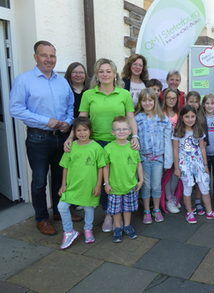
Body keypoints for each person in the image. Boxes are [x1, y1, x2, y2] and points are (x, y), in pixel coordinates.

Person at [64, 58, 139, 233]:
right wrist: (70, 137)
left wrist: (135, 136)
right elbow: (81, 120)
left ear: (114, 74)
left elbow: (130, 117)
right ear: (97, 75)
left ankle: (120, 216)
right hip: (96, 143)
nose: (105, 74)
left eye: (108, 71)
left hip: (119, 142)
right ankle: (108, 214)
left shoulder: (124, 94)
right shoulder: (89, 94)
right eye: (101, 71)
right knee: (104, 182)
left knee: (118, 179)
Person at [9, 40, 74, 235]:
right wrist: (47, 121)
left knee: (59, 178)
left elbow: (70, 105)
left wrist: (68, 121)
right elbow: (16, 109)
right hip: (38, 138)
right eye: (44, 55)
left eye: (52, 56)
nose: (49, 59)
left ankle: (58, 212)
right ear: (35, 57)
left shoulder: (62, 82)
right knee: (39, 180)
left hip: (60, 137)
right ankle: (41, 217)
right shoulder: (24, 80)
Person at [57, 117, 106, 249]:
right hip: (72, 185)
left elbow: (101, 167)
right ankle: (69, 231)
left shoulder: (96, 148)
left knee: (88, 208)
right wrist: (63, 184)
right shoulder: (71, 147)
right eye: (78, 130)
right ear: (74, 132)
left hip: (89, 185)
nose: (82, 133)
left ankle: (88, 229)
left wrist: (98, 185)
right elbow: (65, 167)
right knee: (62, 206)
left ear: (90, 131)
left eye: (85, 130)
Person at [172, 105, 214, 223]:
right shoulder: (178, 132)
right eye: (187, 117)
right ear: (182, 117)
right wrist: (176, 168)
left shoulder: (199, 130)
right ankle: (189, 212)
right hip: (185, 164)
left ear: (196, 117)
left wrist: (205, 165)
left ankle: (210, 211)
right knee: (188, 188)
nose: (190, 119)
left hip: (199, 163)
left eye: (192, 116)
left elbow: (202, 148)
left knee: (204, 187)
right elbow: (175, 150)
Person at [135, 88, 173, 222]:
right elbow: (134, 139)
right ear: (140, 102)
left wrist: (168, 160)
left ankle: (156, 209)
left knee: (156, 185)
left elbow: (167, 140)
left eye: (150, 100)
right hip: (143, 159)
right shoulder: (137, 119)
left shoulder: (163, 119)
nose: (147, 103)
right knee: (146, 185)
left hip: (158, 159)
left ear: (155, 101)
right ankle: (146, 210)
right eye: (144, 100)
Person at [103, 116, 143, 243]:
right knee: (115, 210)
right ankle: (118, 228)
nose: (121, 131)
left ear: (130, 131)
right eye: (118, 129)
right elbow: (106, 167)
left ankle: (127, 225)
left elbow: (138, 164)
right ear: (112, 132)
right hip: (114, 186)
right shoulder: (108, 148)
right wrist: (106, 183)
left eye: (124, 129)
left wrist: (141, 180)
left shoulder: (133, 147)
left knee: (127, 208)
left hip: (130, 185)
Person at [185, 91, 209, 215]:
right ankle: (190, 205)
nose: (194, 104)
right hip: (188, 157)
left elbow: (205, 134)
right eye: (191, 101)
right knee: (189, 182)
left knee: (200, 179)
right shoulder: (184, 116)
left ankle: (199, 201)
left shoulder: (201, 116)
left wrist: (205, 143)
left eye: (196, 102)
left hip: (199, 153)